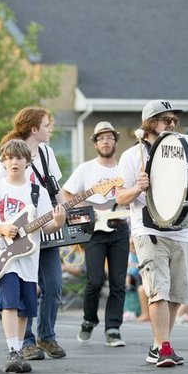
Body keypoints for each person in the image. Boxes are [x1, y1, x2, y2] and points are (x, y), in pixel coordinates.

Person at [0, 139, 66, 373]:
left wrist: (58, 221)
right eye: (10, 158)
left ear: (27, 162)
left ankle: (20, 348)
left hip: (28, 257)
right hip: (4, 257)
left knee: (26, 306)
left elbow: (46, 228)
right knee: (10, 303)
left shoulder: (37, 191)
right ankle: (12, 350)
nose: (14, 162)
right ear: (4, 162)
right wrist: (2, 229)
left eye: (19, 158)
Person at [116, 100, 188, 367]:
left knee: (177, 295)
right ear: (149, 123)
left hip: (181, 230)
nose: (171, 124)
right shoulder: (131, 156)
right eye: (164, 120)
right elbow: (120, 196)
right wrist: (137, 188)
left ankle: (159, 344)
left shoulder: (183, 150)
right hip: (149, 230)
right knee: (158, 291)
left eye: (173, 120)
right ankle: (165, 347)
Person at [0, 107, 66, 360]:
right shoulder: (11, 154)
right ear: (34, 129)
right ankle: (26, 342)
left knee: (53, 286)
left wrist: (63, 212)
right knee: (26, 289)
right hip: (16, 236)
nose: (50, 130)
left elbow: (56, 188)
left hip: (42, 227)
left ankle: (47, 335)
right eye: (47, 125)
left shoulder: (46, 152)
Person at [62, 121, 129, 346]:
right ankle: (89, 320)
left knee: (119, 282)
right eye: (101, 138)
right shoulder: (85, 169)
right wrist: (86, 212)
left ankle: (113, 329)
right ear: (95, 142)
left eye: (110, 137)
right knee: (94, 281)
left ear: (115, 141)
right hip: (93, 231)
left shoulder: (124, 168)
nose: (106, 141)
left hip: (119, 227)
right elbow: (66, 193)